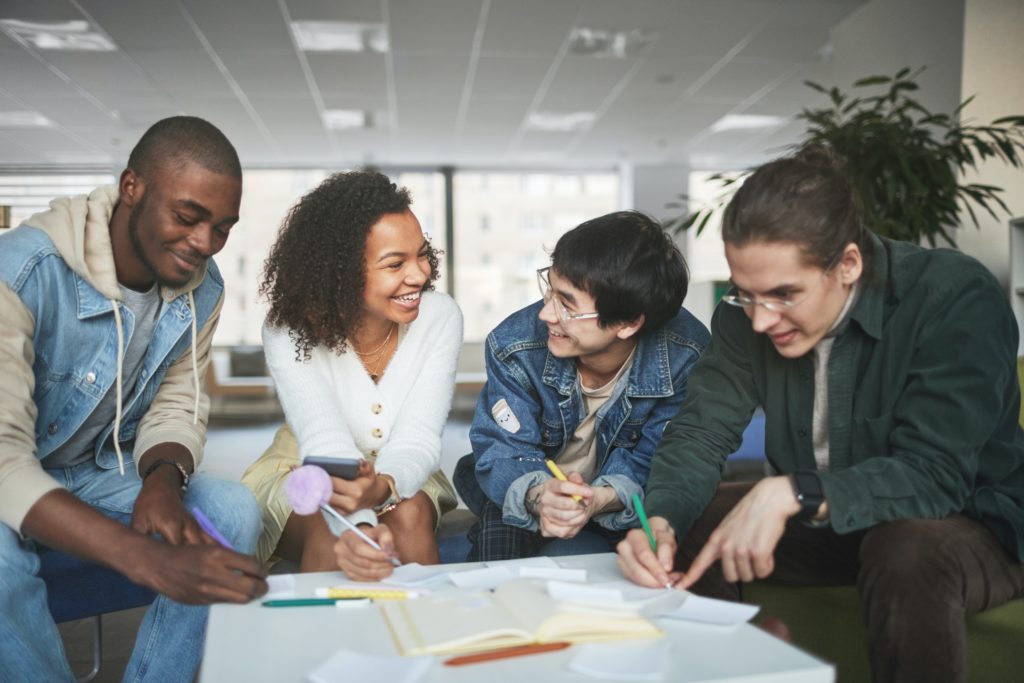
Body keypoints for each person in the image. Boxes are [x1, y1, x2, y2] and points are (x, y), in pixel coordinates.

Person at [617, 145, 1024, 683]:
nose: (761, 320)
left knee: (903, 546)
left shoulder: (953, 297)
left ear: (849, 264)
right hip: (834, 524)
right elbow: (699, 431)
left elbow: (937, 475)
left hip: (972, 522)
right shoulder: (744, 317)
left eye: (785, 295)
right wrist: (661, 520)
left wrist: (792, 491)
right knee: (698, 519)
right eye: (745, 293)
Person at [0, 116, 268, 683]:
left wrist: (162, 480)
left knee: (231, 510)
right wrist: (147, 558)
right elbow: (4, 462)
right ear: (132, 188)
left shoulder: (204, 287)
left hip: (91, 471)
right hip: (10, 471)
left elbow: (179, 404)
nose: (204, 244)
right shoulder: (23, 271)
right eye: (188, 216)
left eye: (222, 227)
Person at [242, 170, 462, 581]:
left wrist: (384, 487)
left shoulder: (440, 317)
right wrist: (359, 524)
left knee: (410, 515)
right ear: (340, 272)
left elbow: (418, 436)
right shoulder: (288, 330)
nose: (419, 275)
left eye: (421, 254)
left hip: (405, 465)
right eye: (395, 263)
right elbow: (324, 438)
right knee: (332, 536)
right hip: (306, 468)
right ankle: (329, 645)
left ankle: (430, 638)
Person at [454, 210, 710, 561]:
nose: (546, 315)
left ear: (628, 323)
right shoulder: (515, 344)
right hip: (530, 478)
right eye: (550, 291)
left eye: (568, 306)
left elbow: (658, 461)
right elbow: (504, 450)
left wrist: (600, 499)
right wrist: (542, 495)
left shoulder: (685, 354)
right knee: (500, 531)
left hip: (623, 492)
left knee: (658, 546)